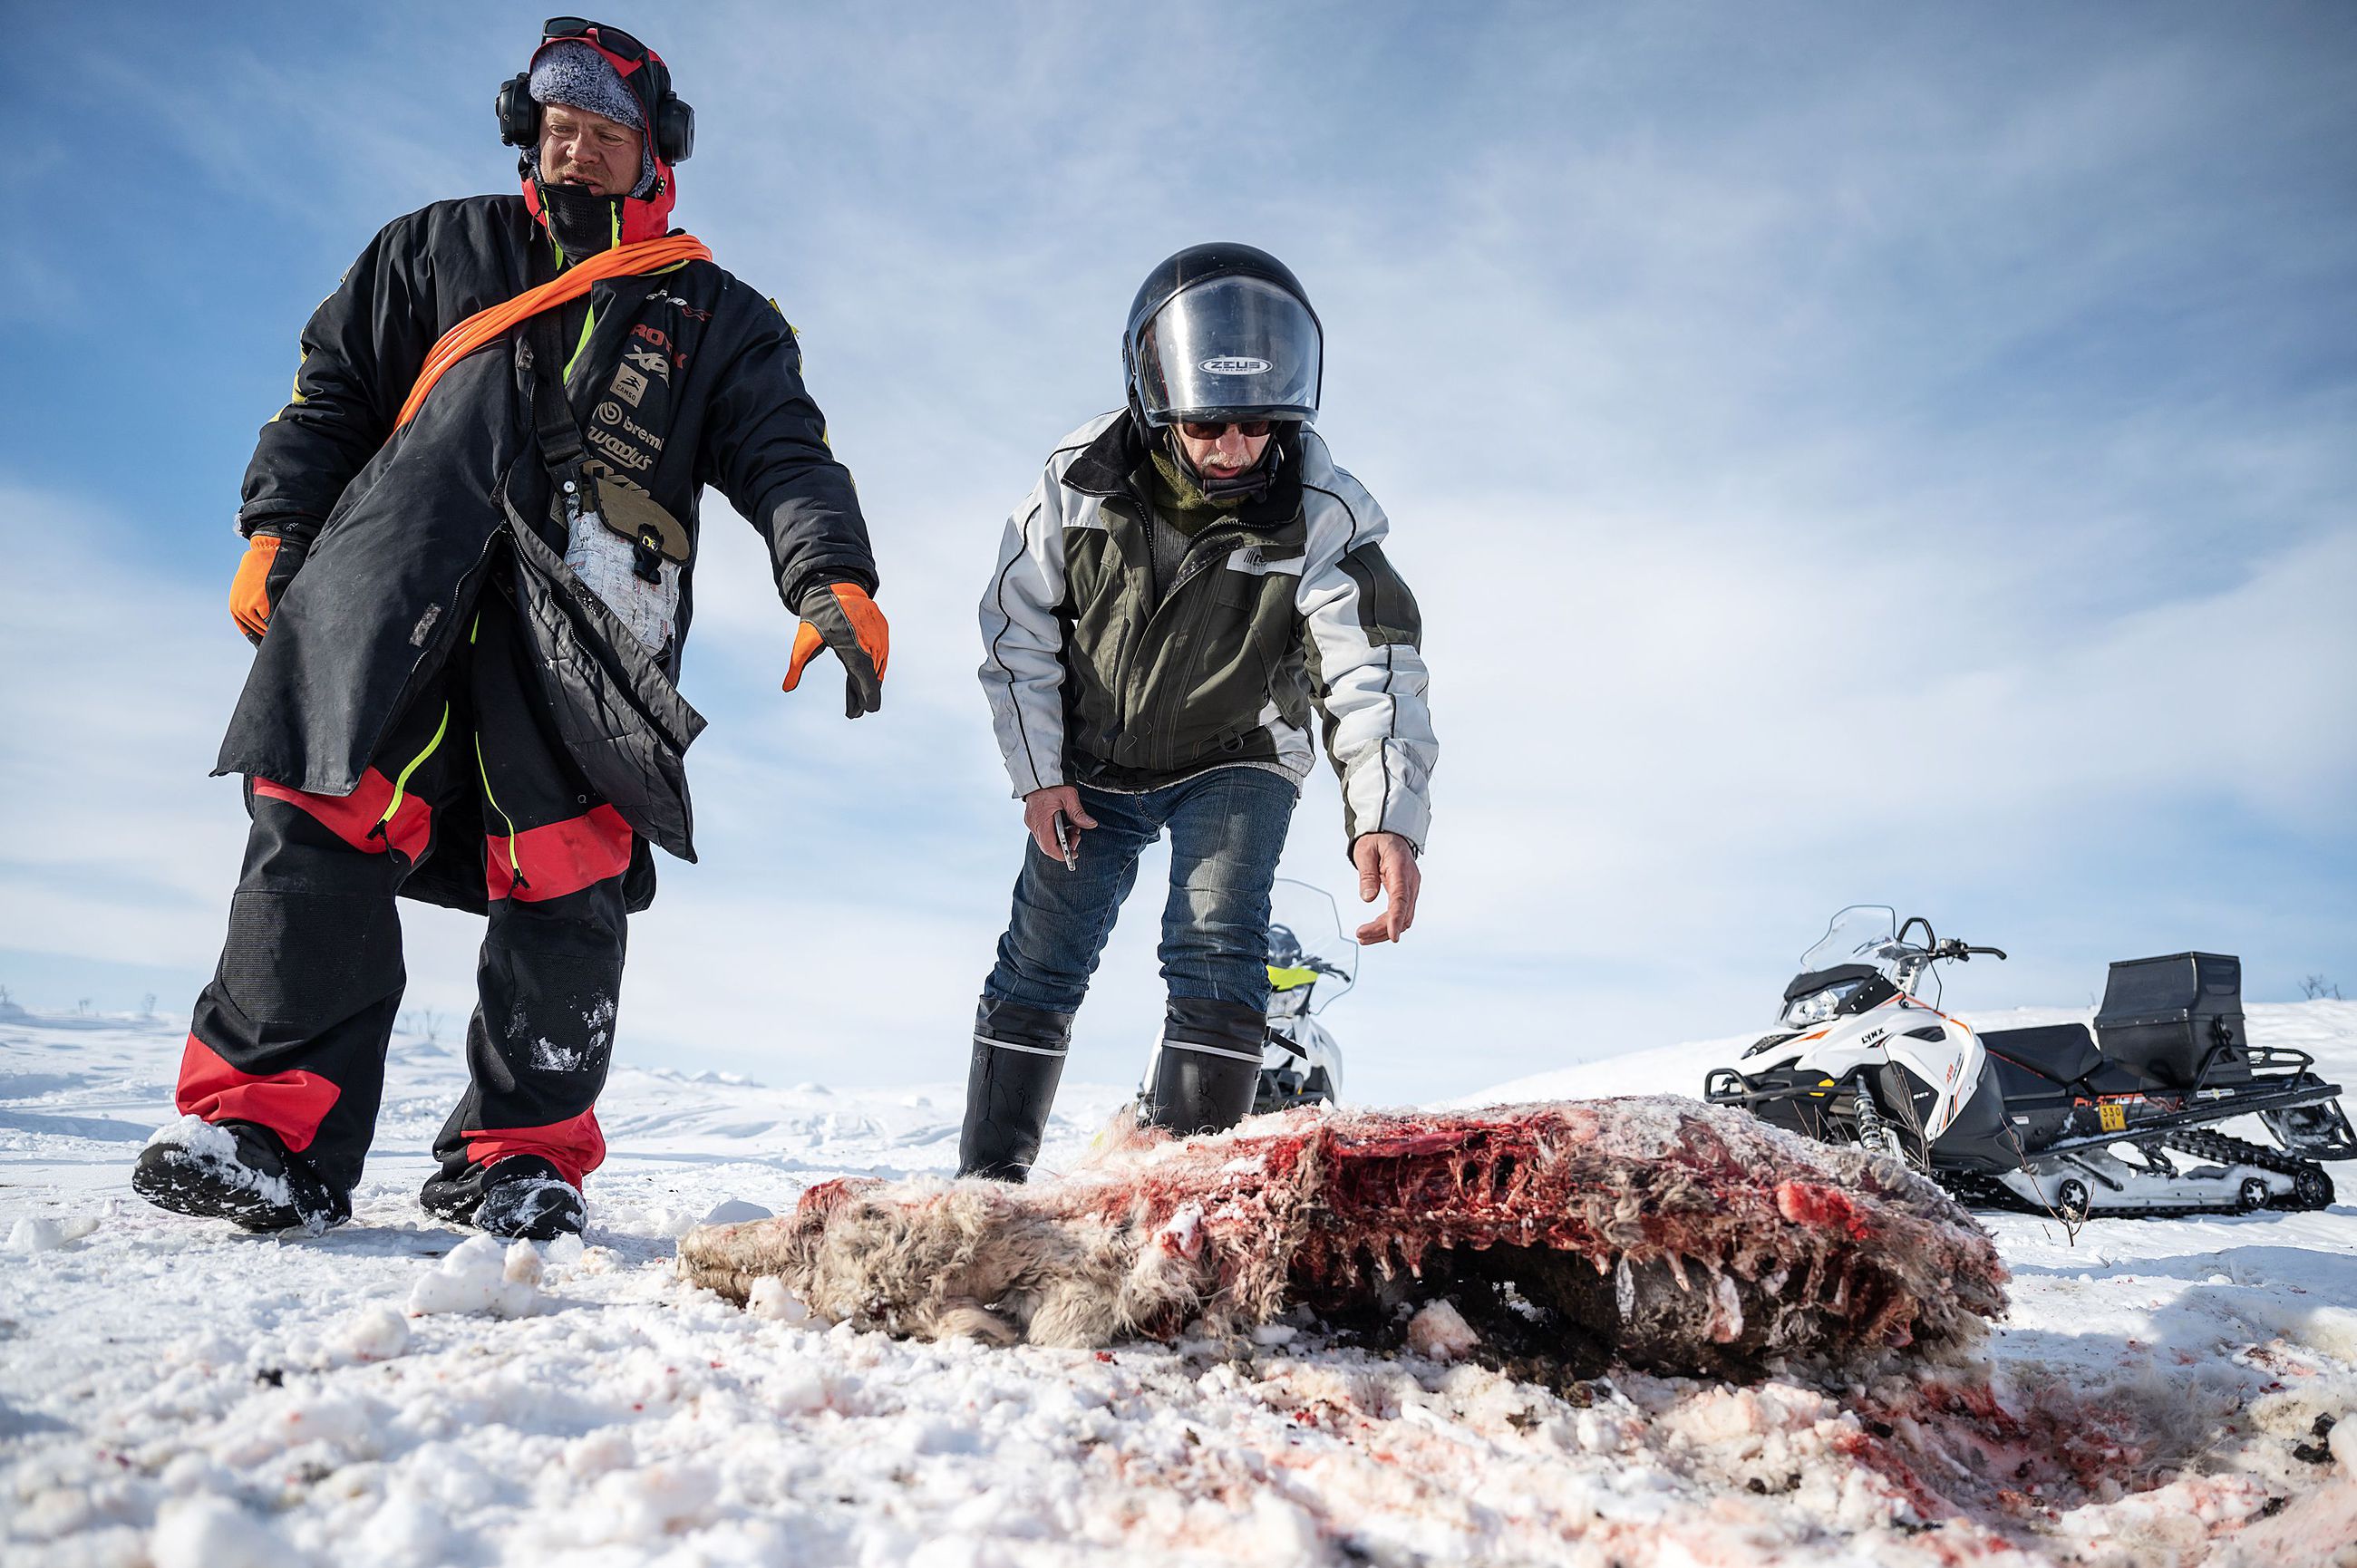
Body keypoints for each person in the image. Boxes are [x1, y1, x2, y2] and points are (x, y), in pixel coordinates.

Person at [132, 19, 887, 1239]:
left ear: (656, 154)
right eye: (558, 130)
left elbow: (787, 458)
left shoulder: (719, 316)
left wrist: (831, 576)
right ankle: (264, 1132)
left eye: (605, 134)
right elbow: (328, 397)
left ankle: (520, 1159)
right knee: (317, 817)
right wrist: (277, 524)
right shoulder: (429, 250)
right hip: (393, 598)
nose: (575, 153)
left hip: (591, 635)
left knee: (568, 873)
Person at [962, 242, 1438, 1180]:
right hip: (1088, 760)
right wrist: (1039, 775)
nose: (1232, 448)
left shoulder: (1323, 514)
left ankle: (1180, 1202)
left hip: (1236, 753)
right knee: (1040, 957)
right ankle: (988, 1184)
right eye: (1209, 425)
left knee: (1215, 941)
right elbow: (1015, 629)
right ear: (1158, 401)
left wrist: (1385, 815)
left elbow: (1371, 667)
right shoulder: (1078, 481)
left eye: (1257, 427)